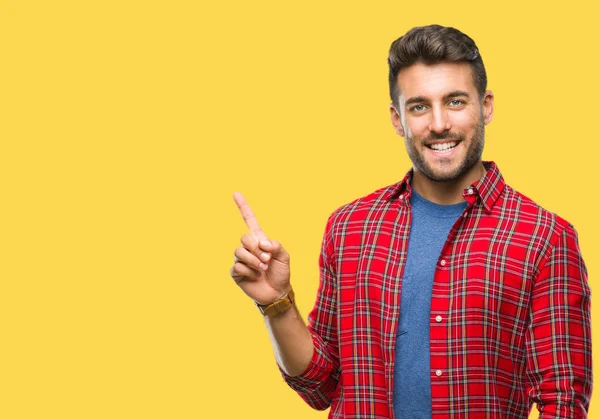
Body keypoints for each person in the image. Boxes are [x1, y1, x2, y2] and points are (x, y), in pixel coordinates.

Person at [229, 24, 592, 418]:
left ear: (485, 106)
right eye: (419, 106)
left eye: (455, 102)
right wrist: (277, 305)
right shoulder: (350, 227)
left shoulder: (543, 237)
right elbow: (322, 386)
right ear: (397, 119)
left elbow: (564, 401)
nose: (438, 124)